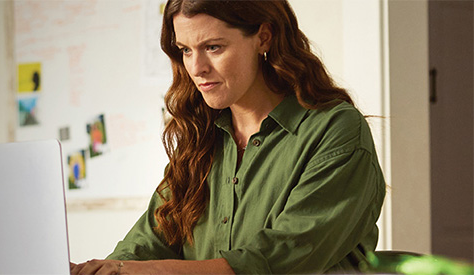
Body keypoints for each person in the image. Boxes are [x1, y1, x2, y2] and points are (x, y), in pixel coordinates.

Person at [70, 0, 386, 274]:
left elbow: (274, 262)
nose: (197, 68)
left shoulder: (334, 130)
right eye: (185, 50)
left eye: (213, 47)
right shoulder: (201, 139)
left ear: (264, 37)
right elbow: (148, 243)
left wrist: (136, 271)